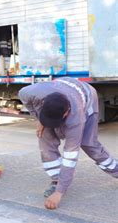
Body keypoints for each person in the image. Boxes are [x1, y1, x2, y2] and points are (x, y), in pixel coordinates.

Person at [19, 78, 117, 210]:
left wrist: (60, 193)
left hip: (87, 96)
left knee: (89, 144)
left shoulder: (76, 118)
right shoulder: (30, 92)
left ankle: (116, 170)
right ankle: (56, 180)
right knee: (44, 137)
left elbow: (70, 156)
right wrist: (40, 119)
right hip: (62, 89)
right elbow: (27, 100)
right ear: (43, 103)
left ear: (66, 113)